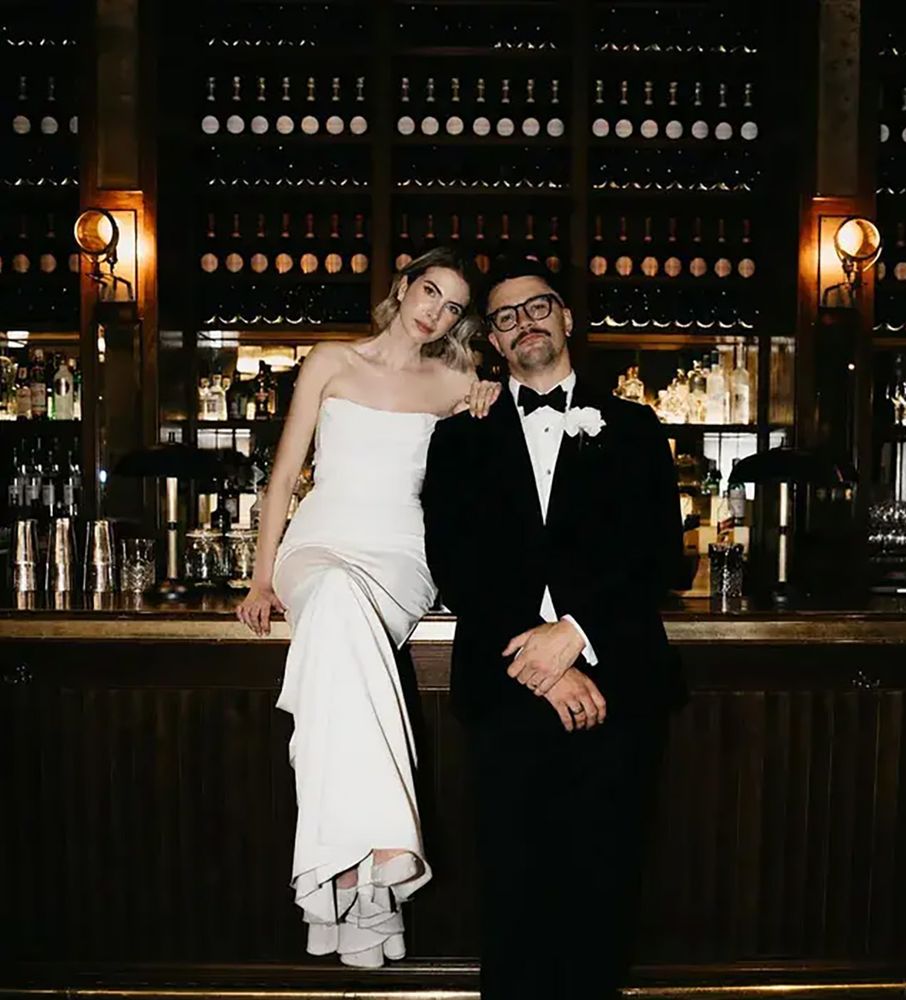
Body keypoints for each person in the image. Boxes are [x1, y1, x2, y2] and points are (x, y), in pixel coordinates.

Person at [421, 257, 687, 1000]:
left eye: (537, 307)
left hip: (619, 687)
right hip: (505, 690)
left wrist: (576, 631)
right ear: (494, 342)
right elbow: (453, 563)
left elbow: (660, 556)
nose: (524, 322)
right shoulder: (459, 436)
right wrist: (542, 662)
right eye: (505, 316)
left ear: (567, 318)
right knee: (512, 893)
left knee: (605, 888)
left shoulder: (635, 428)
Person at [236, 247, 501, 967]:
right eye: (430, 292)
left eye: (452, 308)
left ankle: (348, 878)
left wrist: (487, 406)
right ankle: (379, 859)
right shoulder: (329, 359)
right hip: (316, 545)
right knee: (336, 602)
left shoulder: (457, 377)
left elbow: (485, 476)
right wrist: (262, 579)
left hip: (401, 560)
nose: (435, 312)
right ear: (404, 283)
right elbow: (285, 474)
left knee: (338, 652)